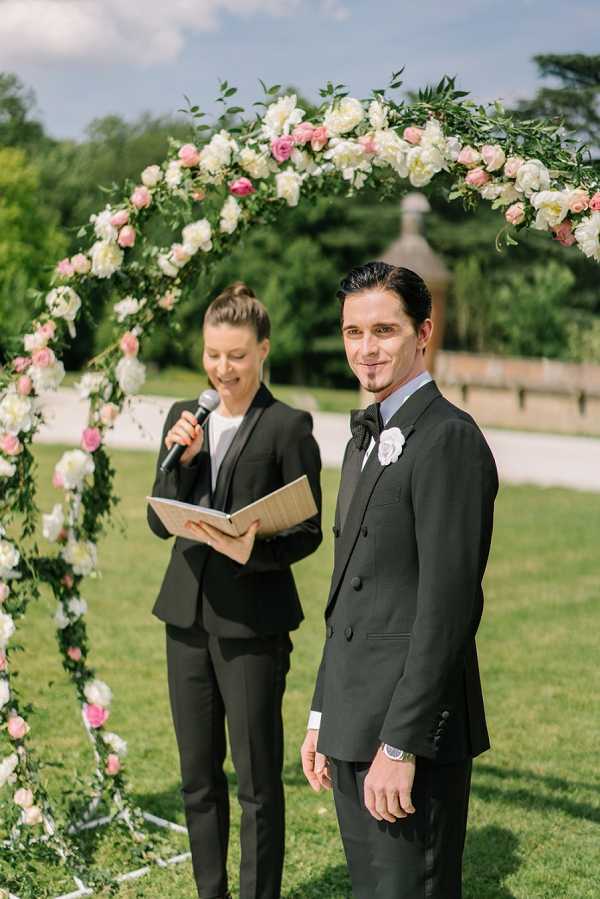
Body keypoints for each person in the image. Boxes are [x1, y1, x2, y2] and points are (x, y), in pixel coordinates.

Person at [300, 262, 498, 899]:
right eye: (352, 332)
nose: (366, 348)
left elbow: (447, 610)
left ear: (424, 333)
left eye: (384, 330)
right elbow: (347, 592)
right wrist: (322, 711)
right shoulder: (367, 435)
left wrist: (401, 745)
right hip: (353, 717)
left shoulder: (448, 440)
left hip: (408, 734)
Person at [148, 282, 322, 899]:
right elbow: (155, 516)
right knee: (197, 777)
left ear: (263, 351)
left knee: (256, 782)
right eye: (214, 354)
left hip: (253, 625)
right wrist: (188, 462)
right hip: (186, 619)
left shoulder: (286, 426)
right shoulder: (182, 419)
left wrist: (256, 551)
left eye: (238, 356)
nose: (224, 369)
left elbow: (308, 531)